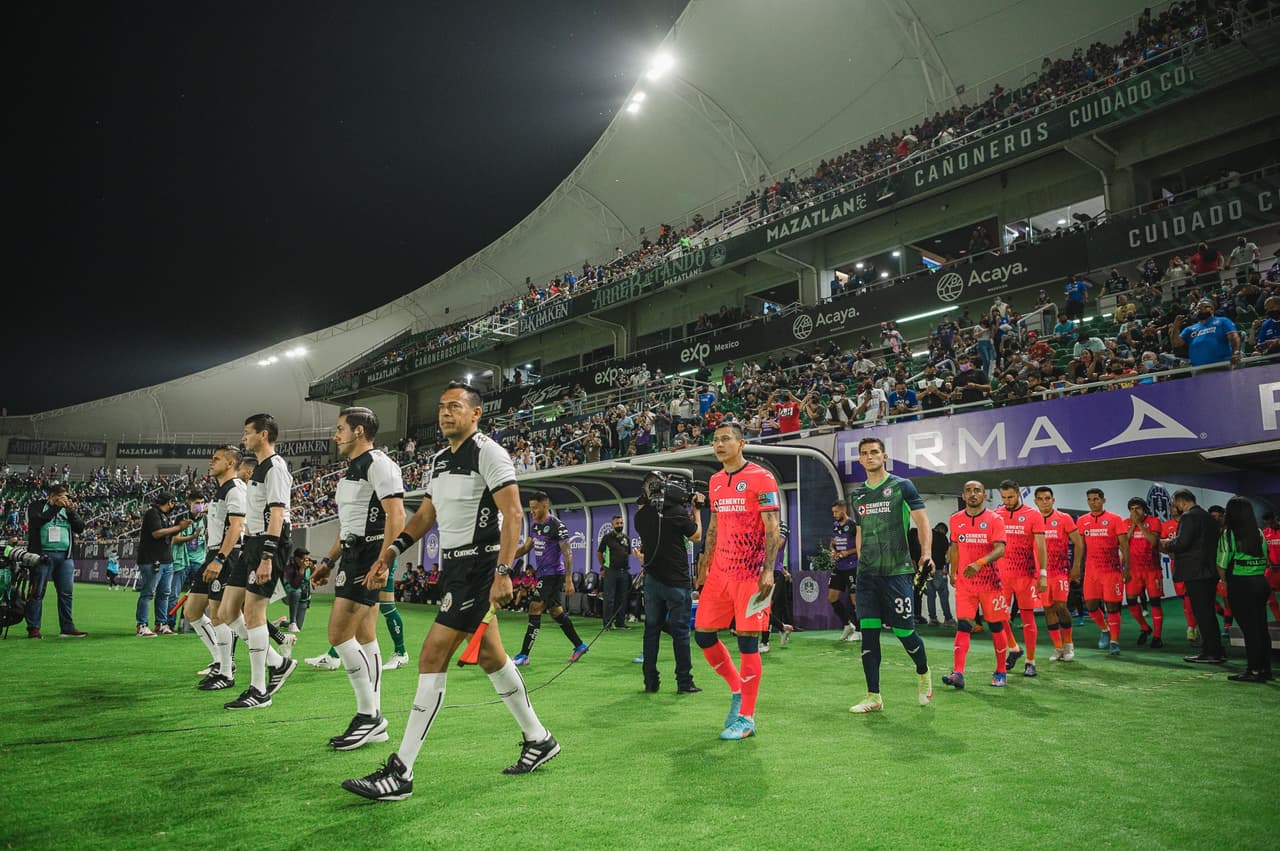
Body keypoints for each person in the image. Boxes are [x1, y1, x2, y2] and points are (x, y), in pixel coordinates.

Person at [342, 383, 557, 801]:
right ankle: (539, 738)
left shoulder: (489, 453)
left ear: (476, 413)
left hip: (480, 566)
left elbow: (513, 514)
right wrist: (392, 551)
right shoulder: (439, 460)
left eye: (454, 407)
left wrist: (503, 572)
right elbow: (426, 515)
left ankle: (401, 771)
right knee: (492, 657)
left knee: (431, 655)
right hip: (455, 567)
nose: (445, 413)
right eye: (441, 407)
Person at [310, 406, 406, 749]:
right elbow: (349, 524)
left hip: (369, 555)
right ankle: (373, 716)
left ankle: (370, 716)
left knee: (338, 635)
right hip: (353, 554)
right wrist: (328, 559)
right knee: (365, 636)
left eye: (340, 429)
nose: (335, 435)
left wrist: (383, 561)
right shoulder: (353, 468)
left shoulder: (379, 464)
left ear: (359, 431)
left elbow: (397, 515)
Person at [694, 422, 782, 741]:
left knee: (747, 642)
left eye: (726, 439)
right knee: (703, 635)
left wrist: (768, 570)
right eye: (715, 440)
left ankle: (746, 717)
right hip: (720, 572)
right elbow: (714, 526)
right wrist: (705, 564)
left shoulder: (762, 477)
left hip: (751, 572)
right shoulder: (715, 481)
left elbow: (773, 527)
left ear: (741, 443)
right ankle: (736, 688)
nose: (719, 445)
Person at [848, 437, 932, 711]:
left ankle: (923, 671)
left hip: (897, 572)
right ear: (860, 459)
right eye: (864, 453)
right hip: (867, 576)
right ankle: (874, 696)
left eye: (874, 452)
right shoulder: (858, 495)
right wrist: (861, 563)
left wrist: (926, 553)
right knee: (869, 634)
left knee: (904, 631)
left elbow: (922, 522)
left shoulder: (902, 486)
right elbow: (860, 533)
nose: (869, 456)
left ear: (884, 456)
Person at [222, 413, 298, 710]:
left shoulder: (276, 467)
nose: (244, 437)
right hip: (251, 545)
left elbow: (278, 515)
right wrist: (247, 547)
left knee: (254, 613)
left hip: (269, 544)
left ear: (263, 434)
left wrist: (267, 556)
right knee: (228, 611)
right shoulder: (260, 468)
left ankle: (259, 690)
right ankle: (278, 663)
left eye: (247, 432)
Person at [634, 475, 703, 693]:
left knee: (651, 630)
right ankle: (684, 682)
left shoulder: (640, 516)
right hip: (676, 582)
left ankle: (650, 682)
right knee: (681, 633)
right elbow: (696, 536)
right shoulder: (677, 512)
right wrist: (696, 511)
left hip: (652, 581)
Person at [944, 480, 1010, 689]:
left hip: (991, 584)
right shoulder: (956, 519)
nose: (973, 494)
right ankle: (958, 673)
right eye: (968, 491)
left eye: (977, 491)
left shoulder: (995, 519)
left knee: (996, 626)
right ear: (963, 496)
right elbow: (955, 547)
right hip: (966, 585)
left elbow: (1000, 549)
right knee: (964, 625)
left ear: (984, 495)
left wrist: (979, 563)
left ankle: (1001, 671)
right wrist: (953, 572)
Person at [511, 491, 588, 667]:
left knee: (534, 607)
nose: (532, 511)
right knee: (555, 612)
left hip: (553, 574)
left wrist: (568, 579)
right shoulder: (535, 525)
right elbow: (526, 548)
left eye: (535, 508)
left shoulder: (557, 526)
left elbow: (567, 553)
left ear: (545, 506)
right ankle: (579, 645)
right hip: (543, 573)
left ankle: (524, 655)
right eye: (530, 508)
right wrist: (506, 557)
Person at [195, 446, 248, 690]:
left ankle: (226, 670)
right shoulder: (222, 490)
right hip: (213, 552)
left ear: (230, 463)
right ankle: (221, 661)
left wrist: (220, 559)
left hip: (225, 554)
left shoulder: (235, 488)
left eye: (216, 459)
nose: (211, 462)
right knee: (192, 611)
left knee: (221, 615)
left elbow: (237, 527)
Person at [1161, 490, 1226, 664]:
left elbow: (1181, 543)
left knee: (1203, 613)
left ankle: (1211, 652)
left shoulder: (1189, 517)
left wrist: (1165, 543)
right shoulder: (1207, 517)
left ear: (1181, 502)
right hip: (1209, 571)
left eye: (1175, 503)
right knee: (1208, 612)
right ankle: (1216, 650)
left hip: (1196, 572)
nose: (1175, 507)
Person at [1216, 497, 1273, 682]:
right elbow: (1266, 558)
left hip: (1241, 584)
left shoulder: (1228, 534)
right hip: (1260, 583)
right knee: (1261, 627)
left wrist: (1224, 582)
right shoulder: (1259, 532)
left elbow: (1222, 564)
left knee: (1249, 630)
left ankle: (1253, 670)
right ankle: (1265, 669)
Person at [994, 480, 1047, 677]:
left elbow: (1041, 547)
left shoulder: (1033, 515)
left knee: (1027, 619)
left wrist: (1043, 574)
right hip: (1002, 576)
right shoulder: (997, 515)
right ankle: (1014, 648)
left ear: (1018, 493)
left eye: (1010, 497)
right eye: (1003, 497)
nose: (1007, 501)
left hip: (1026, 575)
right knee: (999, 616)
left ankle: (1030, 661)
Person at [24, 482, 88, 638]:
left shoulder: (67, 509)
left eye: (66, 497)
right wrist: (55, 508)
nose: (65, 500)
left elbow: (80, 527)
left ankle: (67, 627)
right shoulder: (36, 506)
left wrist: (71, 511)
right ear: (52, 496)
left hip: (65, 556)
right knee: (37, 592)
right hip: (42, 556)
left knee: (66, 593)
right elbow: (36, 521)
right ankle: (33, 628)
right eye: (61, 497)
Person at [1074, 488, 1129, 656]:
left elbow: (1124, 546)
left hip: (1111, 571)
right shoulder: (1082, 521)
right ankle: (1105, 630)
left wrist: (1127, 568)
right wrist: (1077, 568)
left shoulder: (1115, 519)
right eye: (1090, 499)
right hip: (1091, 572)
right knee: (1091, 606)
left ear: (1103, 500)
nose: (1093, 502)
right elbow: (1080, 547)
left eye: (1096, 499)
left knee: (1112, 607)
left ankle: (1114, 641)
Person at [1033, 487, 1083, 661]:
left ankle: (1069, 644)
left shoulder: (1064, 518)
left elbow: (1079, 543)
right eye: (1040, 499)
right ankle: (1058, 648)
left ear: (1053, 500)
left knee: (1061, 606)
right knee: (1048, 609)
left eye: (1047, 498)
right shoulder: (1032, 519)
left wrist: (1076, 566)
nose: (1044, 502)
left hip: (1060, 571)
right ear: (1035, 502)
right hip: (1041, 574)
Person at [135, 492, 190, 638]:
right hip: (152, 559)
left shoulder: (164, 516)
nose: (174, 506)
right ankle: (142, 625)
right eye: (173, 502)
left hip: (166, 559)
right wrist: (178, 527)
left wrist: (180, 528)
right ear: (169, 502)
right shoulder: (152, 513)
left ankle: (161, 624)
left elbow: (167, 535)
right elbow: (157, 533)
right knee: (148, 593)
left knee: (164, 593)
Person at [1120, 498, 1165, 648]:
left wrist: (1139, 524)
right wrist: (1133, 526)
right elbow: (1123, 544)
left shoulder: (1154, 521)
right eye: (1132, 509)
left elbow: (1154, 541)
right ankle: (1145, 627)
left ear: (1144, 509)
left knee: (1155, 602)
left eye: (1138, 508)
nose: (1135, 512)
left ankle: (1157, 636)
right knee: (1131, 601)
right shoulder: (1126, 523)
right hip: (1133, 570)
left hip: (1152, 569)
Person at [828, 500, 860, 642]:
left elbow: (861, 545)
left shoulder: (853, 525)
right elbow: (832, 543)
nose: (834, 514)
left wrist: (848, 552)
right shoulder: (835, 525)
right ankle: (847, 625)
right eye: (833, 512)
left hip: (852, 565)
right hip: (839, 566)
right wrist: (833, 551)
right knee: (832, 597)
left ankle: (859, 630)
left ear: (844, 510)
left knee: (855, 600)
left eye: (836, 512)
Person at [1175, 298, 1241, 367]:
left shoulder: (1223, 321)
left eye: (1202, 307)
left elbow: (1234, 337)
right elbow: (1176, 343)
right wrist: (1175, 327)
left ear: (1211, 309)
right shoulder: (1190, 329)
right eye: (1197, 308)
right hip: (1198, 369)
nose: (1199, 310)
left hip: (1222, 365)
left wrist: (1236, 353)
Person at [597, 513, 632, 630]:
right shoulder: (607, 538)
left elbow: (627, 553)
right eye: (617, 523)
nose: (619, 525)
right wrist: (603, 566)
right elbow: (599, 553)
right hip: (611, 571)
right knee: (609, 599)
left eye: (621, 523)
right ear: (612, 525)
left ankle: (620, 623)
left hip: (624, 572)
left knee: (622, 599)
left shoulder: (626, 539)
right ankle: (607, 624)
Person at [922, 522, 953, 626]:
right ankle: (948, 619)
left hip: (927, 571)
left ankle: (932, 619)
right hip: (939, 570)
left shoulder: (926, 536)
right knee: (943, 596)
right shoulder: (942, 538)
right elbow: (948, 554)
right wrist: (946, 568)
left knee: (931, 596)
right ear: (943, 530)